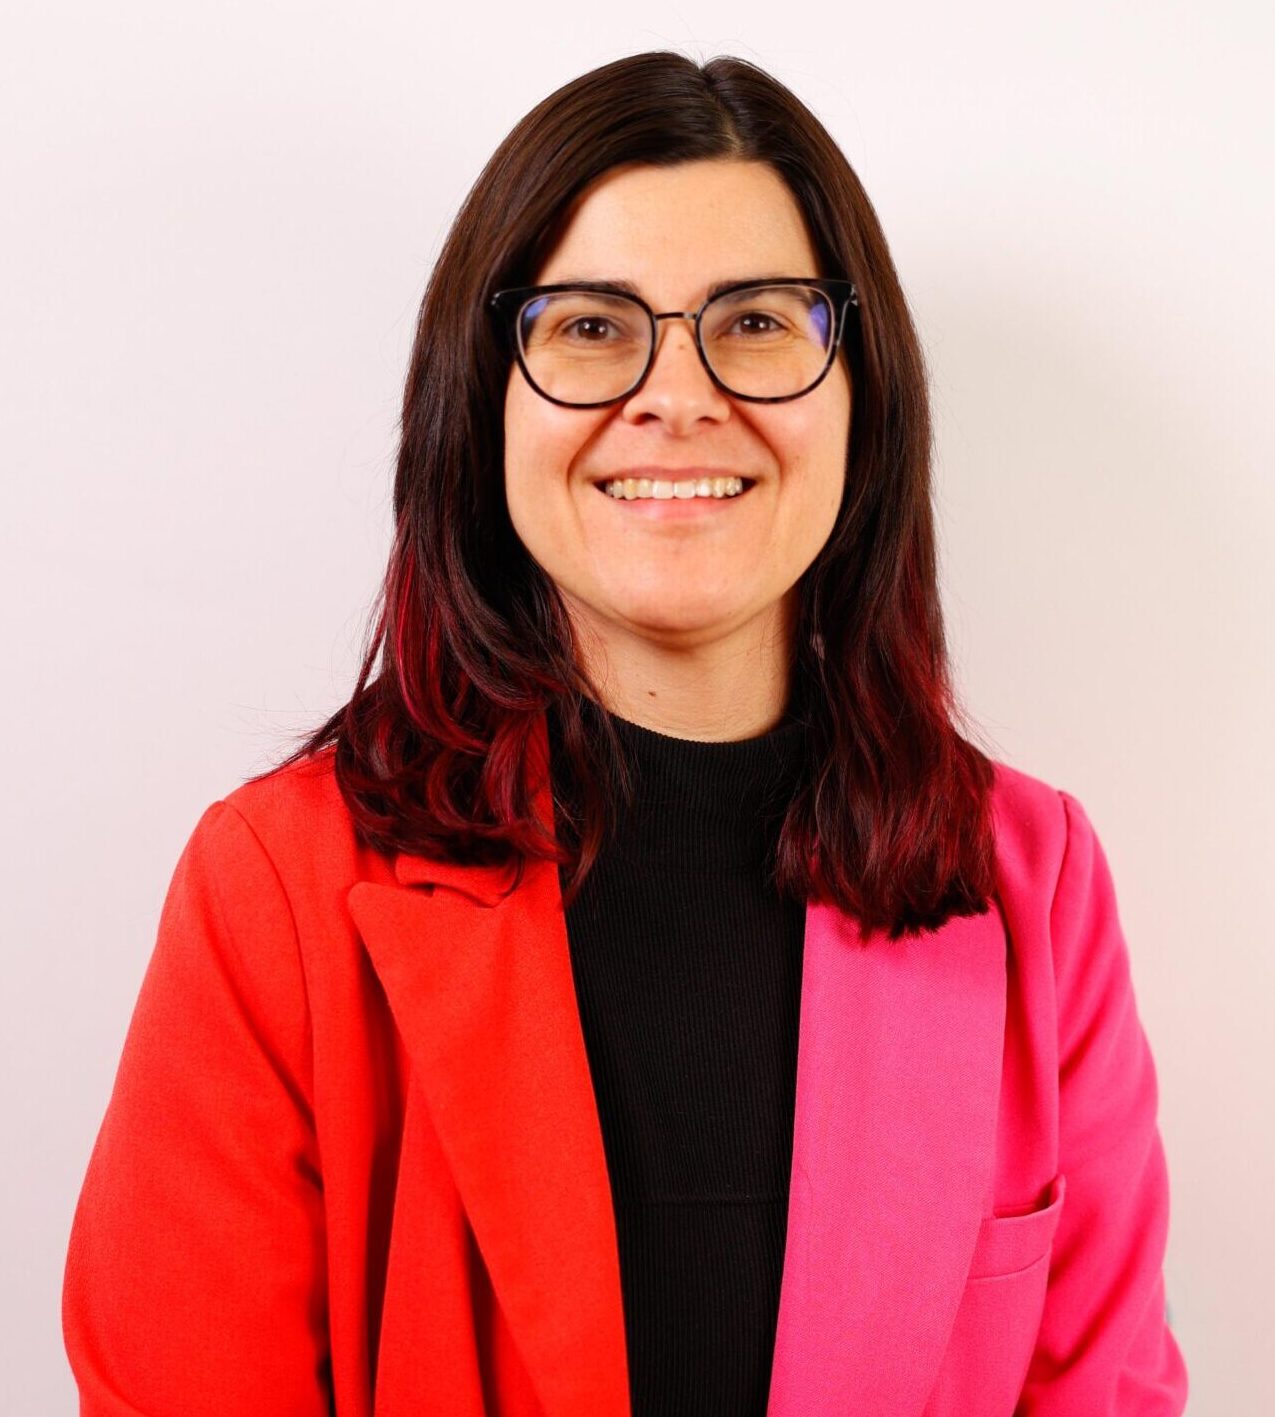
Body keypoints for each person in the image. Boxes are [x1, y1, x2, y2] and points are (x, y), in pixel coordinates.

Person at [62, 50, 1189, 1417]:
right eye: (593, 327)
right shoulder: (278, 890)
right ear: (485, 401)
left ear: (862, 394)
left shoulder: (1036, 882)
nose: (677, 395)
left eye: (758, 322)